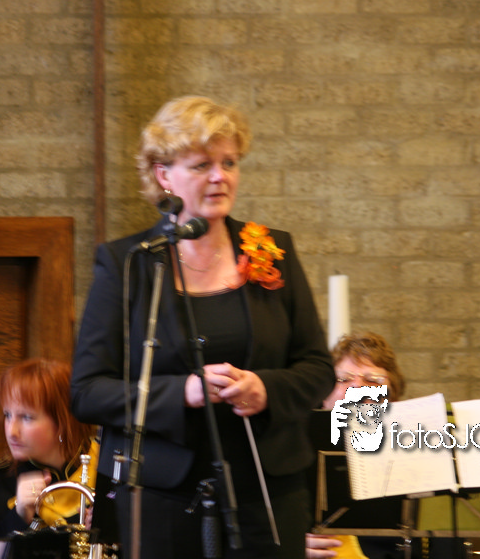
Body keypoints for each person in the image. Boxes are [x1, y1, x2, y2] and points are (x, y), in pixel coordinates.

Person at [70, 95, 335, 559]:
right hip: (163, 496)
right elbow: (88, 391)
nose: (220, 176)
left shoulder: (273, 251)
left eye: (229, 162)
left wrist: (265, 388)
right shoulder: (127, 263)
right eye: (201, 165)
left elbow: (318, 369)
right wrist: (183, 392)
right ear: (163, 175)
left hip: (268, 493)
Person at [0, 357, 99, 545]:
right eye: (7, 415)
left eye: (26, 417)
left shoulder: (109, 471)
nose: (11, 432)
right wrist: (17, 518)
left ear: (63, 421)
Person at [307, 331, 406, 559]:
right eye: (343, 379)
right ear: (322, 394)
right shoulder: (290, 448)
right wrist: (288, 547)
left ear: (393, 398)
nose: (357, 388)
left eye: (372, 381)